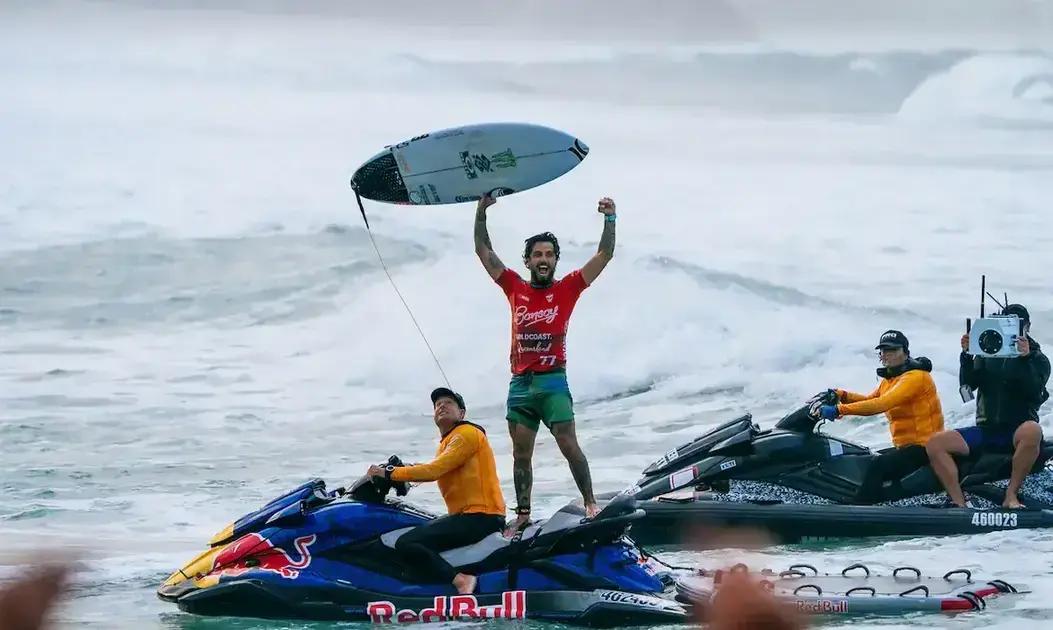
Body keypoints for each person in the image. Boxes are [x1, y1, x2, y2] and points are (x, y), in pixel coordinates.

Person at [474, 193, 616, 533]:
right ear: (527, 260)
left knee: (569, 444)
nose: (543, 259)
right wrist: (481, 213)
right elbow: (484, 252)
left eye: (549, 254)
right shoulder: (514, 287)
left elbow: (604, 255)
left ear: (555, 260)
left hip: (553, 382)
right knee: (521, 455)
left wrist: (610, 219)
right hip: (521, 385)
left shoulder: (568, 288)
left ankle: (591, 503)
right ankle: (522, 514)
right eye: (537, 254)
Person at [367, 387, 506, 594]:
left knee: (406, 542)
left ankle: (460, 580)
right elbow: (435, 466)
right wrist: (402, 471)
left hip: (480, 517)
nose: (442, 406)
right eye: (438, 404)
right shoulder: (448, 443)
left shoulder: (466, 433)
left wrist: (389, 472)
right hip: (469, 517)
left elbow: (434, 470)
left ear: (462, 413)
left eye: (448, 403)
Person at [925, 304, 1050, 508]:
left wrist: (1024, 358)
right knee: (936, 443)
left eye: (1016, 325)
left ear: (1026, 326)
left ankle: (1011, 495)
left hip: (1017, 429)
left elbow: (1034, 391)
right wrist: (966, 355)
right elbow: (969, 386)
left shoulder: (1038, 359)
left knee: (1032, 430)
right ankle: (958, 502)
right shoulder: (988, 352)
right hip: (987, 429)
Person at [817, 330, 944, 502]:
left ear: (905, 353)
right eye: (883, 351)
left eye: (892, 350)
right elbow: (870, 399)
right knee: (868, 458)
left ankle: (862, 509)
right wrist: (841, 394)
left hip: (925, 447)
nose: (886, 355)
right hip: (906, 447)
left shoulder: (916, 378)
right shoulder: (890, 380)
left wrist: (839, 410)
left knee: (879, 465)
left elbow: (881, 404)